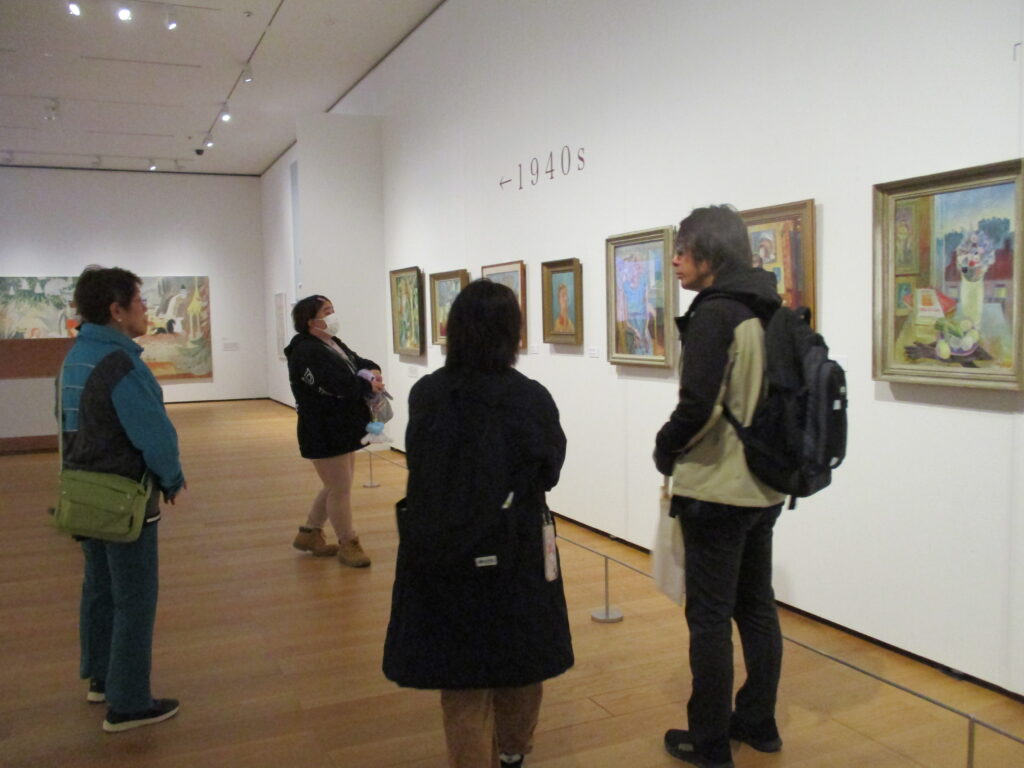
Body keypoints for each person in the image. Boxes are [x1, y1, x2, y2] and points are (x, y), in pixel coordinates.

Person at [383, 280, 572, 768]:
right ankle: (512, 754)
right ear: (511, 333)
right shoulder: (529, 397)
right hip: (515, 546)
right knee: (520, 660)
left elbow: (420, 463)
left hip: (444, 547)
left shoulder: (428, 393)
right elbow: (549, 470)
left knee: (461, 672)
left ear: (455, 329)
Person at [652, 205, 787, 768]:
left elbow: (698, 407)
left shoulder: (715, 313)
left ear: (711, 254)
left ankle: (709, 743)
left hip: (718, 489)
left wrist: (664, 447)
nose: (676, 261)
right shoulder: (768, 306)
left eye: (684, 250)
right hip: (765, 487)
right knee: (756, 607)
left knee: (708, 618)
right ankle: (759, 723)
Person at [58, 266, 186, 733]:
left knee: (99, 588)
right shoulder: (122, 365)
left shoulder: (76, 357)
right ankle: (128, 703)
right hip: (124, 497)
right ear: (116, 310)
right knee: (134, 598)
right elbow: (155, 435)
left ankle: (101, 678)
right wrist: (171, 478)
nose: (146, 308)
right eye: (139, 300)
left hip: (83, 492)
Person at [284, 294, 384, 567]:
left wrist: (373, 370)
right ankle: (349, 543)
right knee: (340, 488)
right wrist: (367, 385)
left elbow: (357, 362)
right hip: (323, 428)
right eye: (327, 311)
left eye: (332, 310)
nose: (333, 315)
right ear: (311, 320)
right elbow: (334, 384)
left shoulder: (332, 342)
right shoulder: (305, 351)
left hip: (343, 425)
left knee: (337, 485)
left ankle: (309, 533)